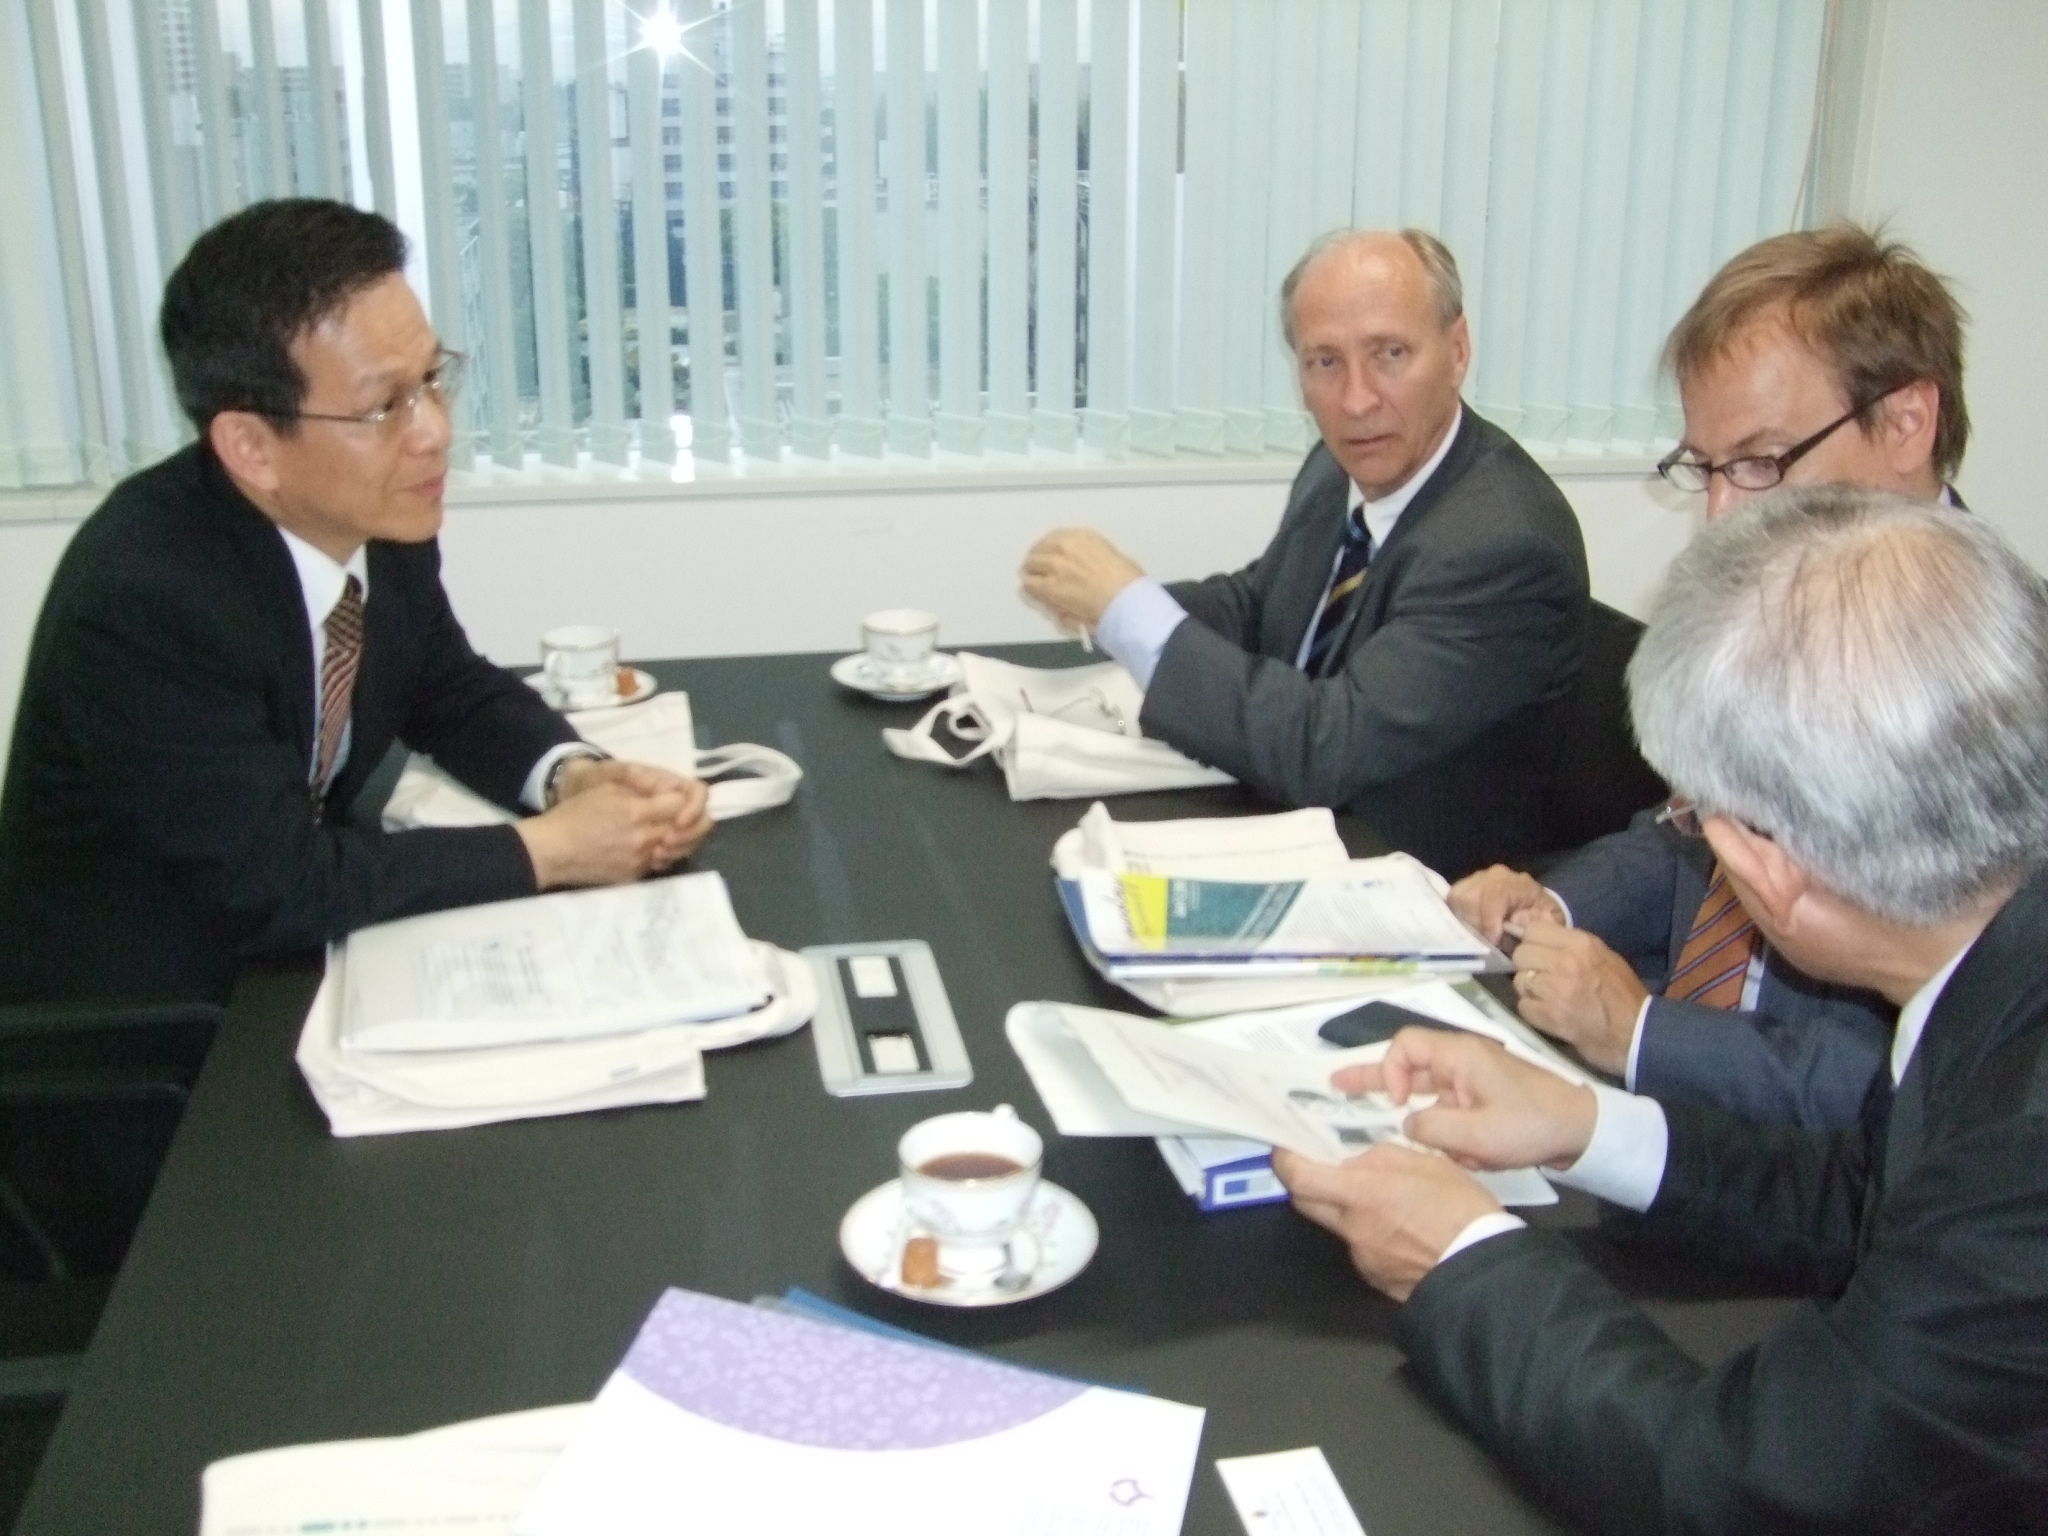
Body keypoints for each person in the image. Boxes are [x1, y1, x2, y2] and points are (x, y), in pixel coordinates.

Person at [1277, 486, 2048, 1533]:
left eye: (1695, 816)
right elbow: (1867, 1196)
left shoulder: (2022, 1157)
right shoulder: (1990, 959)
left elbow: (1739, 1488)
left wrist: (1459, 1255)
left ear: (1762, 868)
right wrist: (1585, 1125)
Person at [0, 199, 712, 1008]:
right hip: (147, 1020)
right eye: (384, 407)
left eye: (432, 381)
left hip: (288, 956)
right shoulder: (146, 600)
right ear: (251, 447)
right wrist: (551, 850)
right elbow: (274, 887)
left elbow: (445, 686)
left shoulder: (377, 518)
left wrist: (573, 778)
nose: (433, 432)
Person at [1450, 226, 1970, 1128]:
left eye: (1761, 461)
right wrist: (1549, 907)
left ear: (1904, 421)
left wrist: (1644, 1033)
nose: (1724, 512)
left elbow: (1932, 1081)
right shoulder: (1784, 601)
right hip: (1667, 1109)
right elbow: (1688, 841)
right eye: (1706, 467)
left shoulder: (1999, 696)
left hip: (1811, 1171)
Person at [1020, 230, 1587, 880]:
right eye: (1325, 362)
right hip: (1297, 821)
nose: (1356, 400)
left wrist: (1129, 611)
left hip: (1412, 878)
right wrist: (1113, 600)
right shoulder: (1340, 464)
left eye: (1390, 353)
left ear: (1457, 351)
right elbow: (1263, 606)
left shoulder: (1505, 546)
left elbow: (1324, 748)